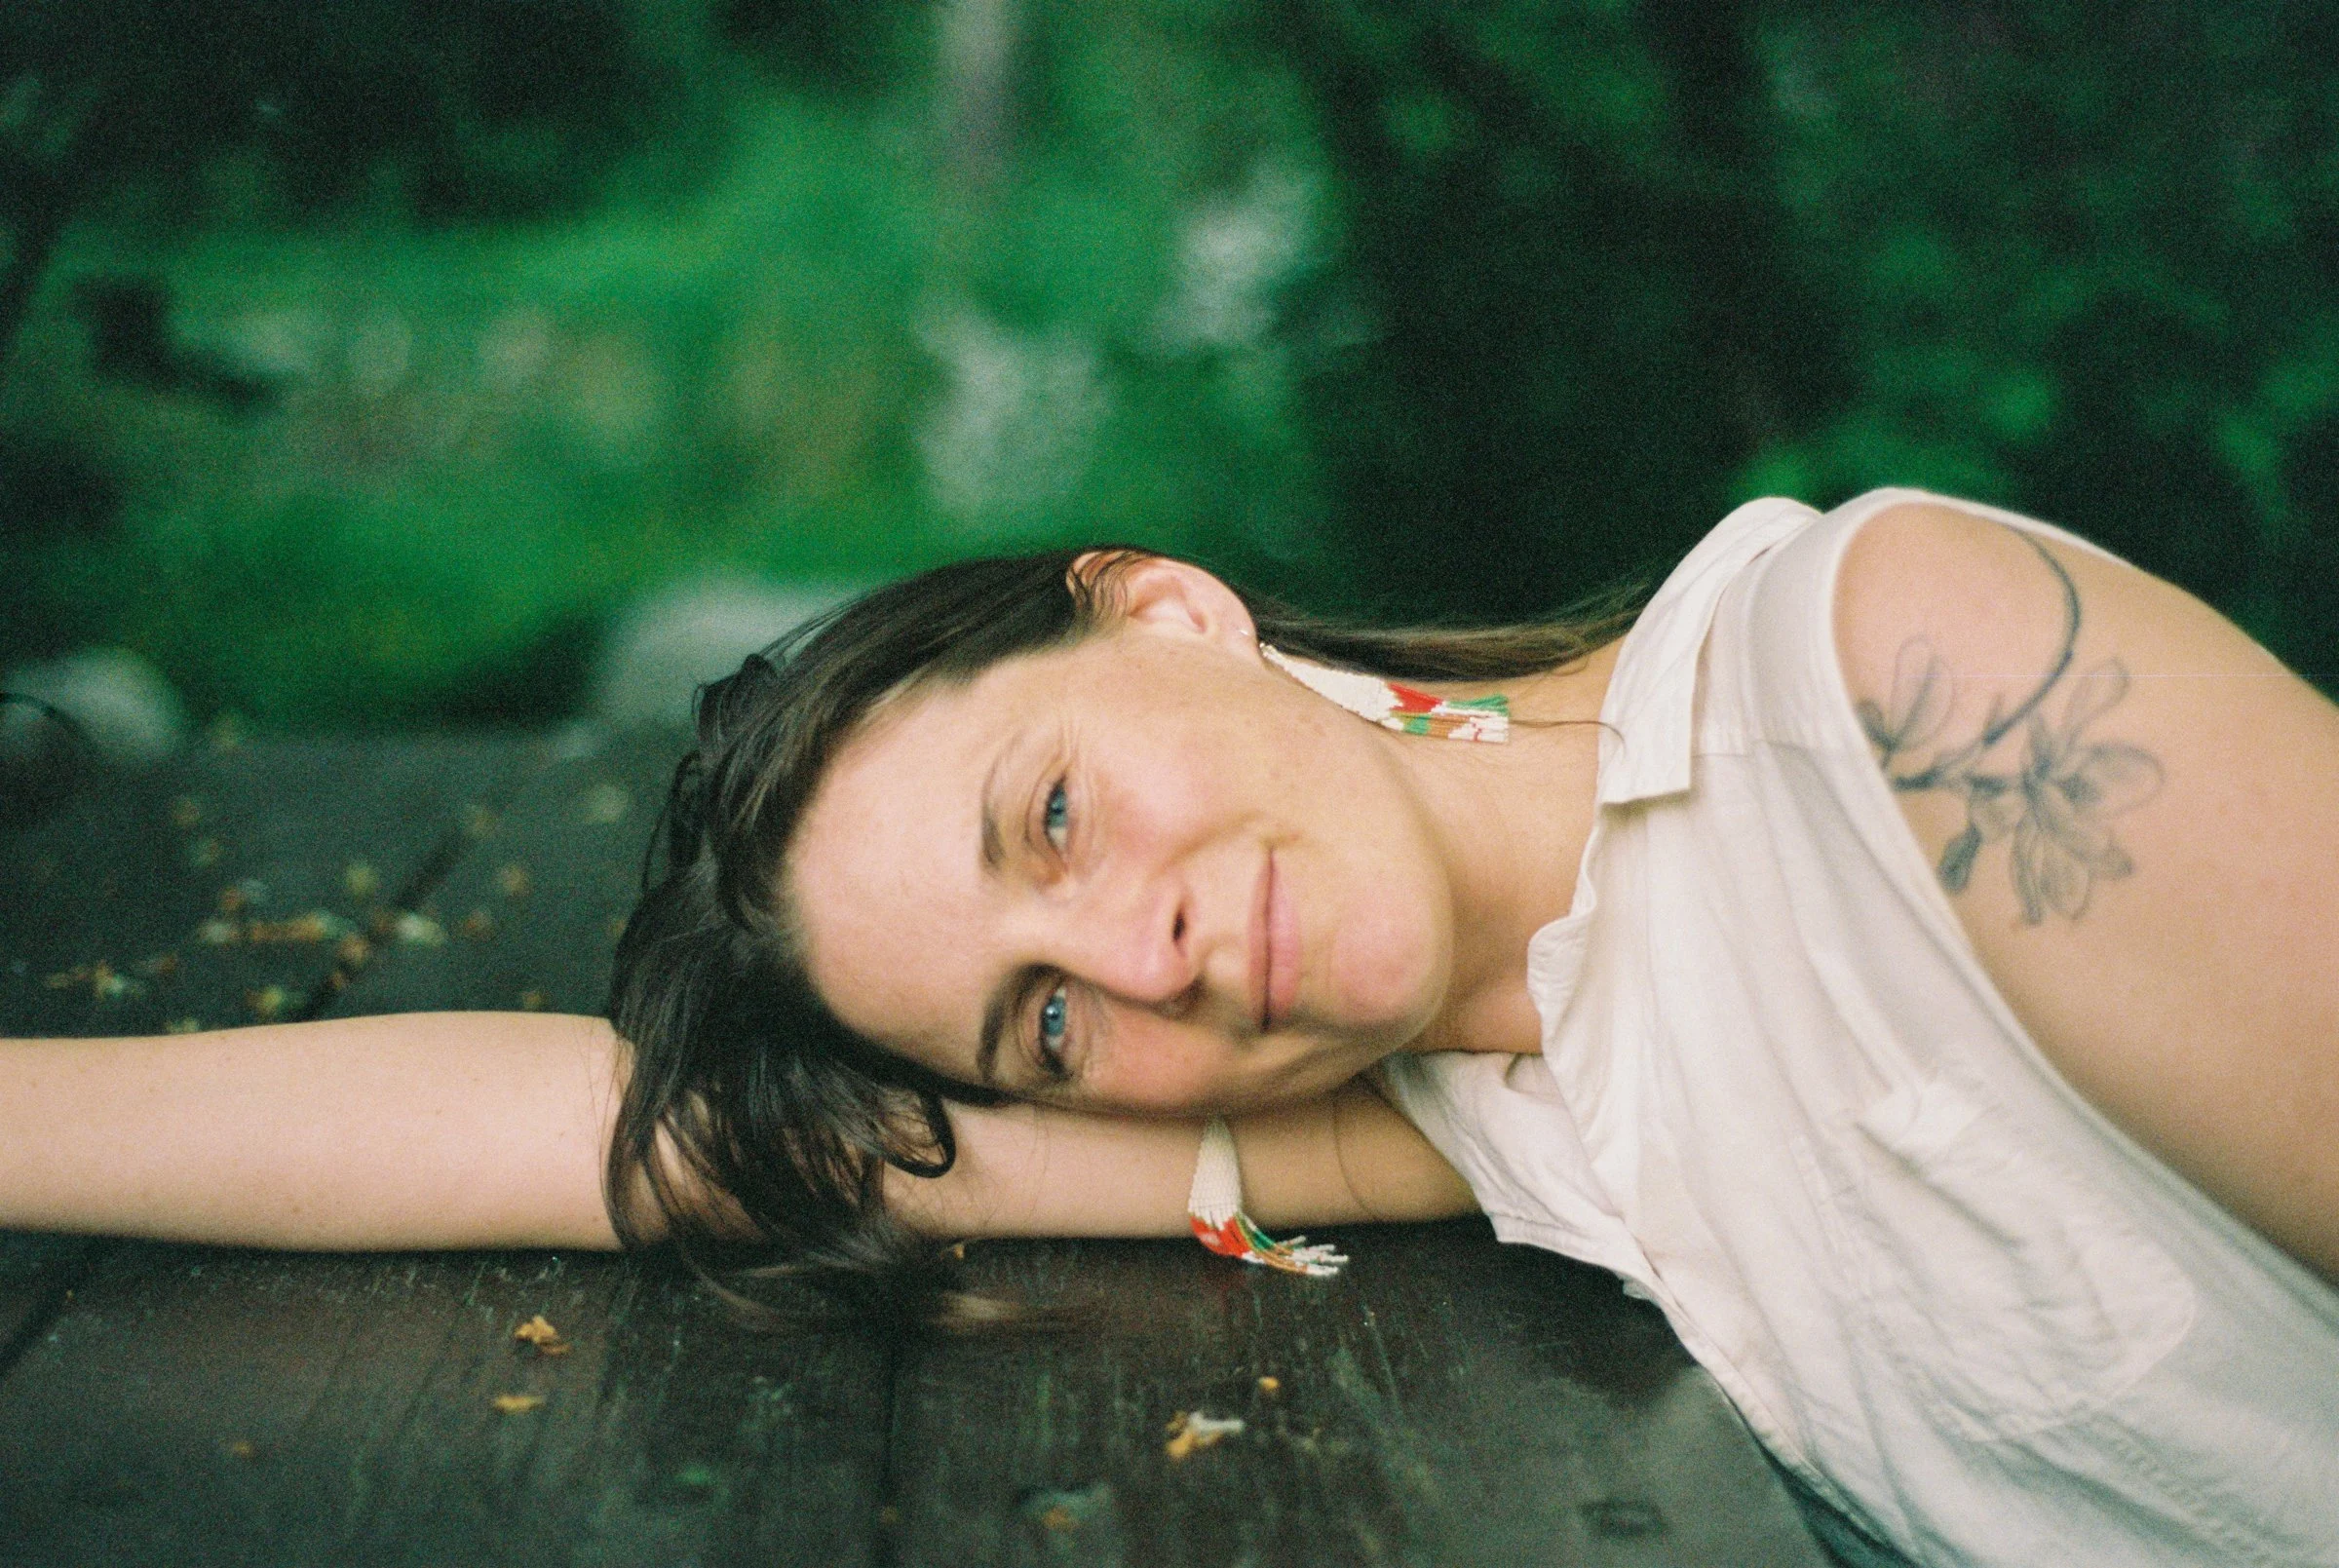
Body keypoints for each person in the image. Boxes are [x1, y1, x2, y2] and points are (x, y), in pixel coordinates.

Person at [3, 487, 2335, 1566]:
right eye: (1034, 1029)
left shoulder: (1892, 696)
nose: (1145, 965)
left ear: (1176, 613)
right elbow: (610, 1127)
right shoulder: (1467, 1099)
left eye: (1056, 813)